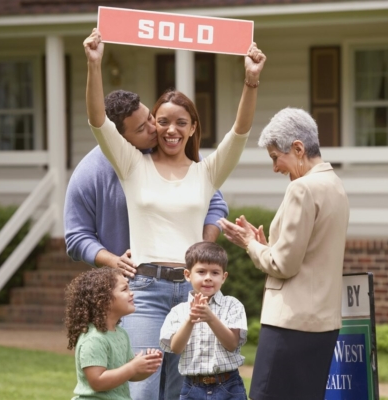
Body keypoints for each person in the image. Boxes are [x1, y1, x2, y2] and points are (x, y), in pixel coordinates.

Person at [84, 28, 265, 400]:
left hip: (191, 293)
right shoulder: (132, 165)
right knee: (145, 392)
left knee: (179, 392)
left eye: (181, 122)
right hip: (146, 293)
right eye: (162, 120)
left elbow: (241, 131)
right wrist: (94, 63)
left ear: (193, 128)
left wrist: (250, 82)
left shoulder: (207, 173)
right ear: (154, 123)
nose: (170, 129)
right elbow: (99, 121)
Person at [218, 107, 350, 400]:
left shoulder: (302, 189)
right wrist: (266, 245)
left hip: (290, 324)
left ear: (299, 148)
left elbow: (284, 265)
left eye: (276, 157)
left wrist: (249, 244)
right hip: (324, 325)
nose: (275, 167)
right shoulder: (335, 185)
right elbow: (311, 252)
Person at [64, 88, 228, 272]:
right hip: (125, 285)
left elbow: (216, 204)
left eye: (150, 117)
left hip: (185, 277)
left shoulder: (174, 148)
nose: (154, 129)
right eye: (141, 128)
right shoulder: (88, 174)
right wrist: (114, 260)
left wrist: (202, 247)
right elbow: (76, 237)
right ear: (119, 138)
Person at [159, 241, 248, 400]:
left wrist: (210, 318)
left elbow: (232, 343)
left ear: (224, 277)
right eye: (201, 272)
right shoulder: (178, 311)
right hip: (192, 388)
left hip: (229, 386)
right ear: (187, 275)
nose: (208, 278)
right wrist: (190, 320)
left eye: (215, 273)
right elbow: (176, 348)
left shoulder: (232, 305)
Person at [64, 267, 163, 400]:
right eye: (124, 289)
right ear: (103, 300)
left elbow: (129, 375)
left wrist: (146, 365)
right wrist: (133, 367)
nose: (131, 293)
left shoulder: (121, 333)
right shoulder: (94, 339)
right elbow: (97, 382)